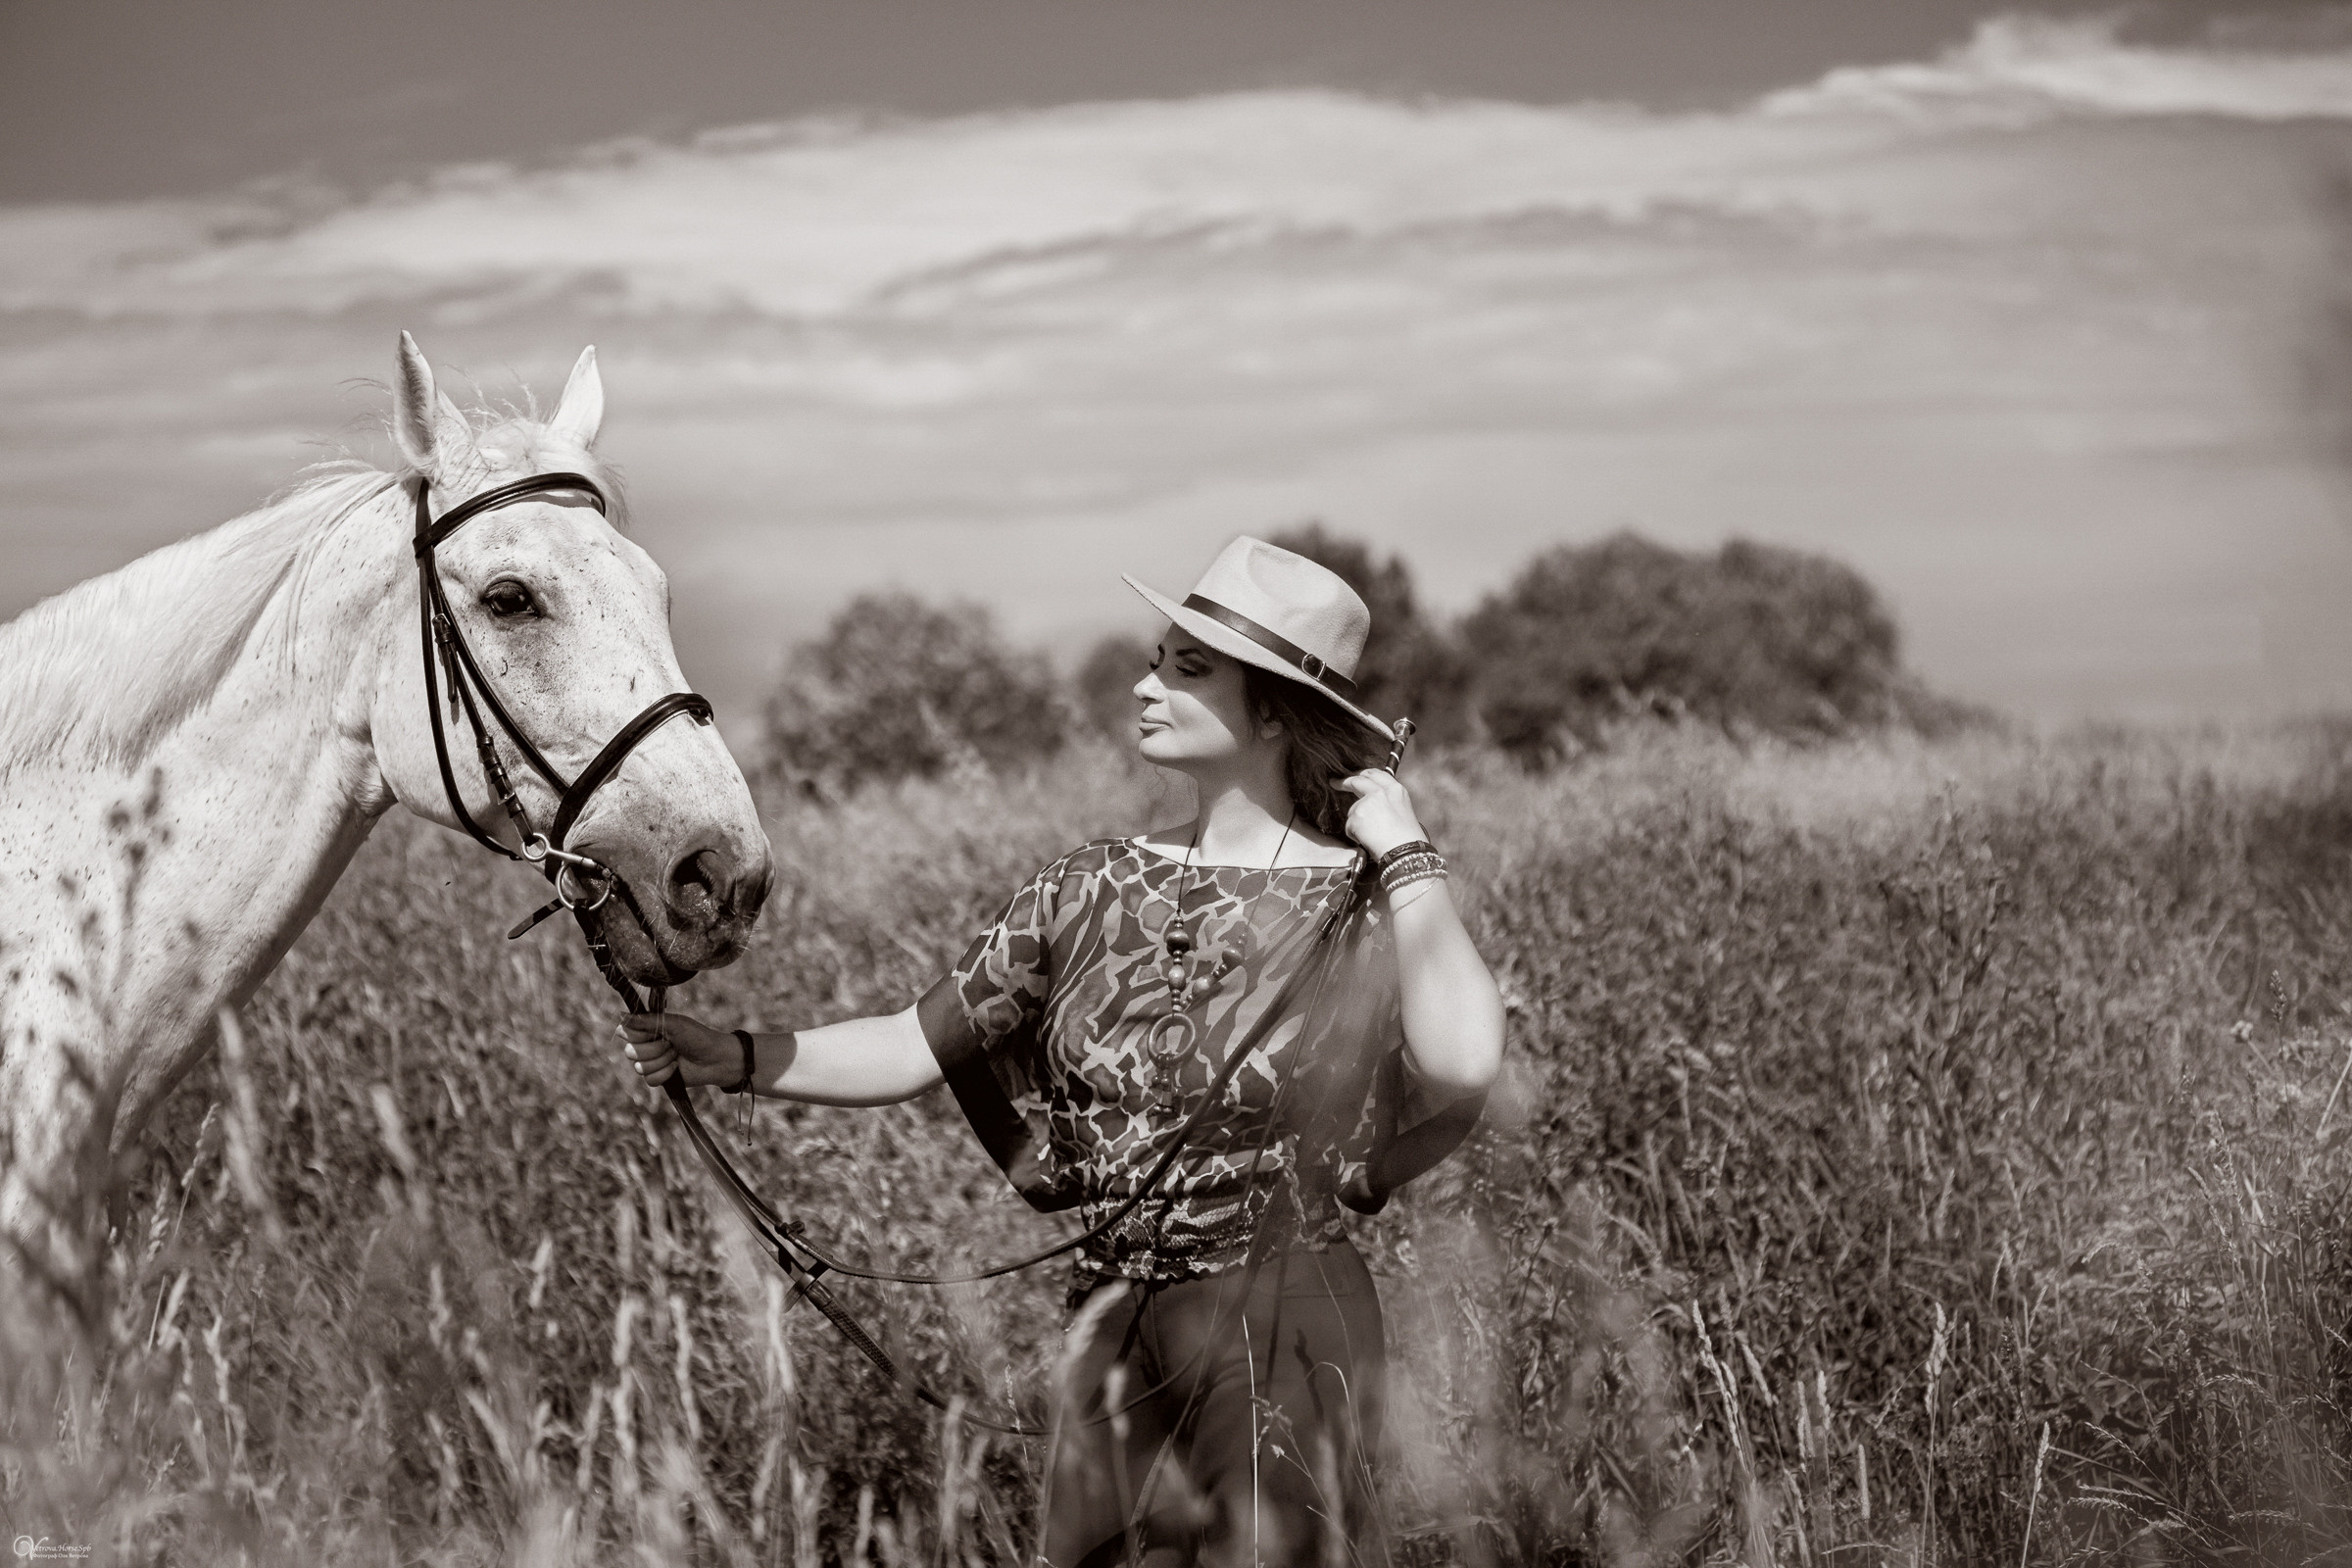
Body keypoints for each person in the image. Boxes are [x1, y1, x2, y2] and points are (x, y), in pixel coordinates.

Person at [617, 537, 1505, 1567]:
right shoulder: (1083, 885)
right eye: (1157, 657)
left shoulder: (1358, 902)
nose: (1145, 684)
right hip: (1110, 1321)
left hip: (1289, 1318)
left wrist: (1401, 848)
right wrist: (727, 1055)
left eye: (1187, 667)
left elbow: (1464, 1065)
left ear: (1270, 709)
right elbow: (916, 1043)